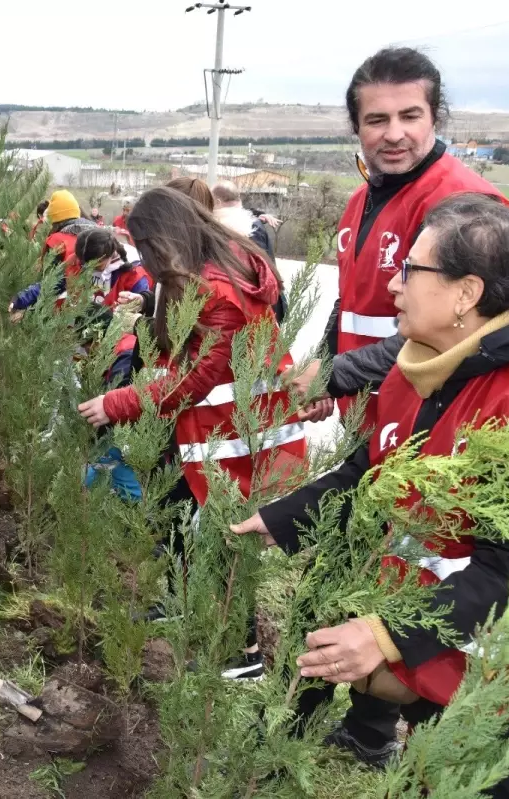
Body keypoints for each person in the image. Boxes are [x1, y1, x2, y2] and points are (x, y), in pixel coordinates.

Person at [232, 194, 509, 797]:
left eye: (411, 270)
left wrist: (381, 635)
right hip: (442, 654)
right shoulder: (420, 366)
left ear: (466, 293)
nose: (393, 285)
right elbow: (368, 470)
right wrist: (281, 517)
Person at [77, 187, 306, 676]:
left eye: (143, 245)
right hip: (220, 432)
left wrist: (120, 403)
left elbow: (197, 377)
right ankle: (187, 602)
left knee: (227, 537)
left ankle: (242, 655)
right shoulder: (208, 273)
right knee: (191, 520)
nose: (141, 257)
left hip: (240, 435)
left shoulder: (220, 290)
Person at [291, 48, 508, 429]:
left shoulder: (463, 205)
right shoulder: (362, 200)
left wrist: (337, 373)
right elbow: (352, 302)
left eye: (410, 116)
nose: (394, 134)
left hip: (431, 420)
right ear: (356, 127)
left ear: (434, 118)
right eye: (376, 120)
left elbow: (467, 329)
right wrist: (325, 370)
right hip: (372, 418)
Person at [212, 180, 287, 322]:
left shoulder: (247, 227)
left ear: (218, 201)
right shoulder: (249, 221)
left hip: (258, 306)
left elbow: (257, 271)